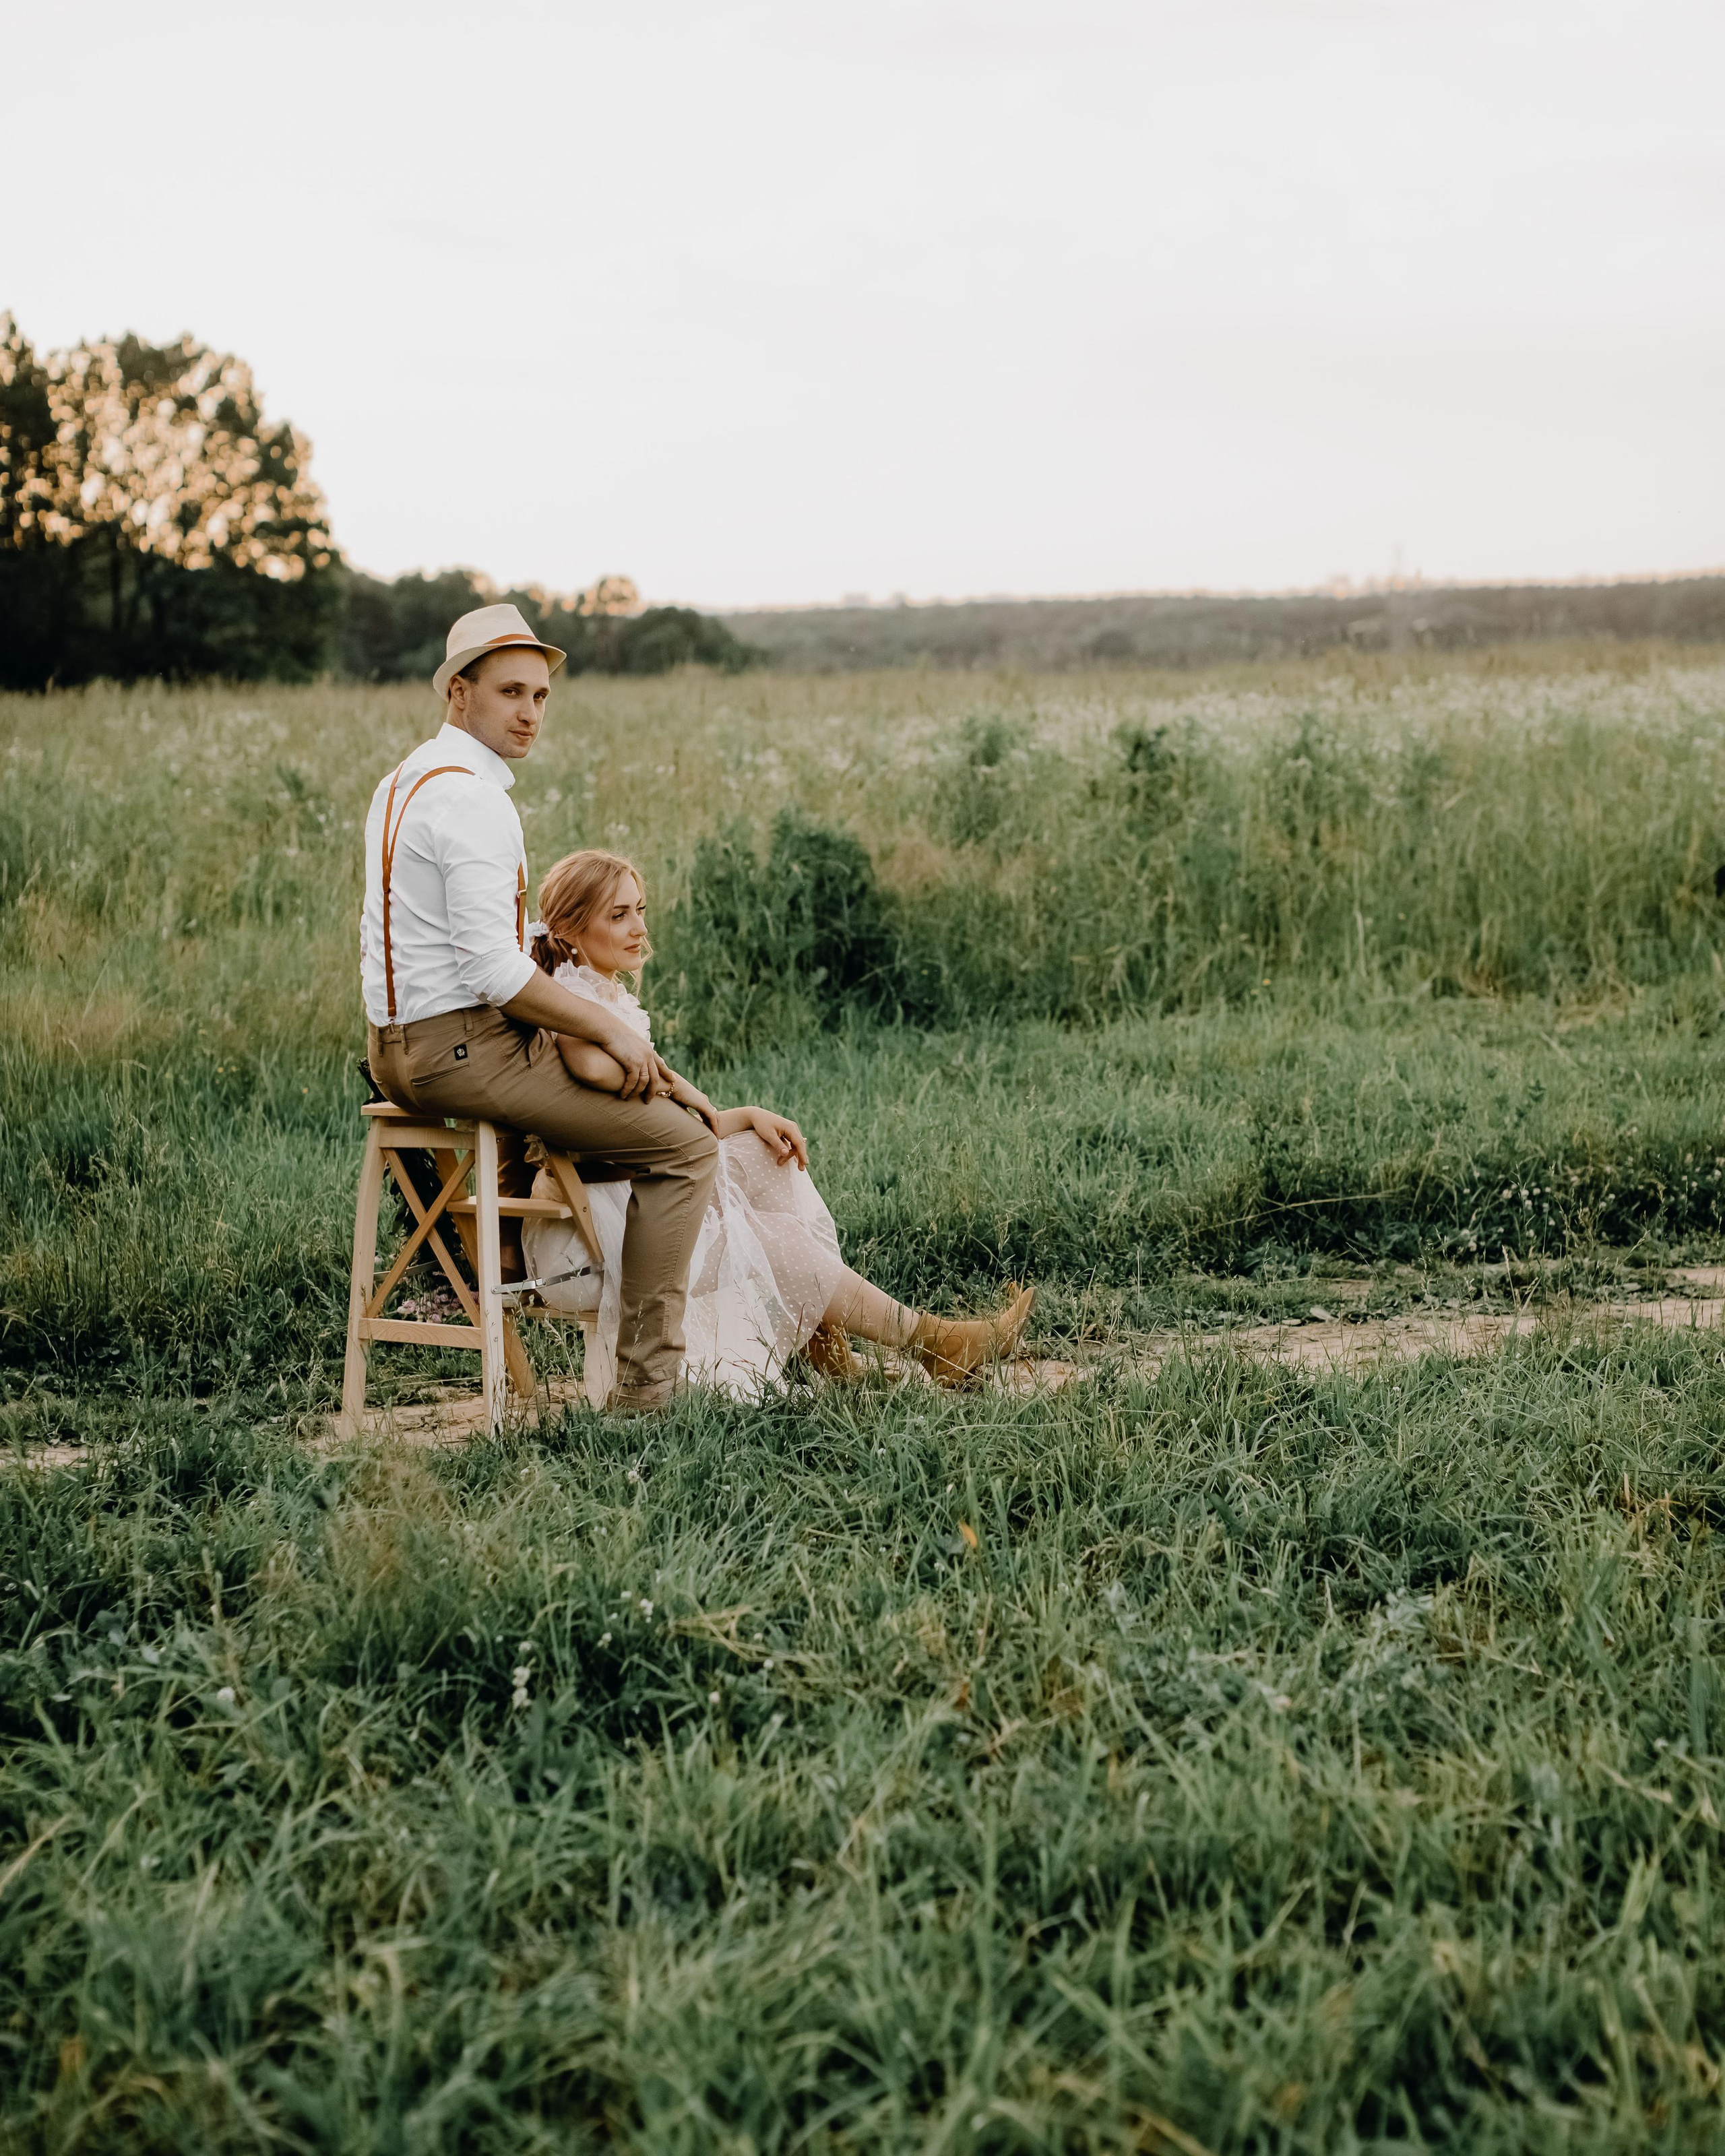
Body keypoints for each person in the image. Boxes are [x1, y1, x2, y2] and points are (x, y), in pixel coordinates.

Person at [359, 603, 718, 1413]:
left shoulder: (403, 781)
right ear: (459, 693)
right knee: (684, 1147)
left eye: (541, 696)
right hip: (461, 1050)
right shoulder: (476, 799)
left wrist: (545, 943)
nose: (529, 713)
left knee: (621, 1081)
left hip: (393, 1046)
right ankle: (645, 1393)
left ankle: (549, 1255)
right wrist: (603, 1022)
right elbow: (488, 970)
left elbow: (449, 931)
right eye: (509, 692)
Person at [519, 847, 1035, 1399]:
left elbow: (638, 1123)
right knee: (780, 1239)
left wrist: (740, 1117)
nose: (638, 928)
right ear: (572, 929)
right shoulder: (569, 995)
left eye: (639, 909)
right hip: (589, 1226)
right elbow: (590, 1065)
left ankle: (824, 1340)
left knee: (765, 1155)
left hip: (623, 1178)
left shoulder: (597, 987)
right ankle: (936, 1344)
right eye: (618, 915)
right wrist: (673, 1080)